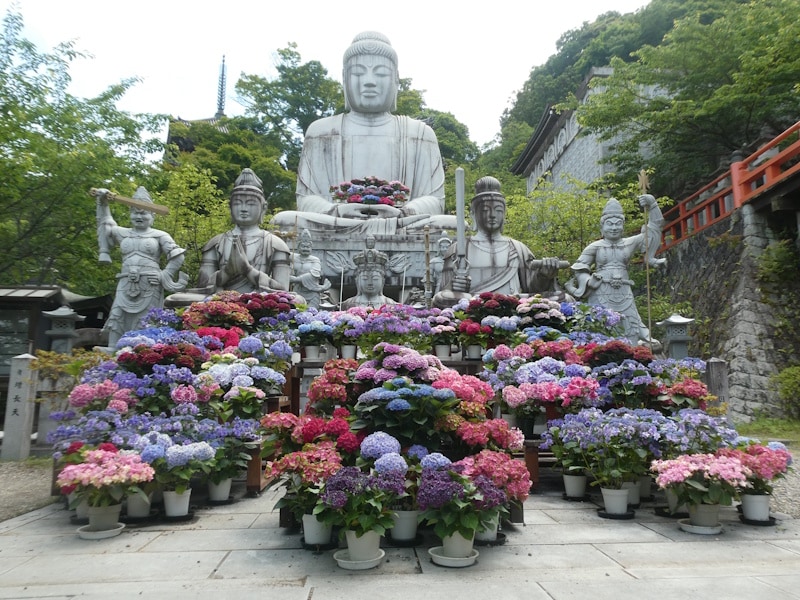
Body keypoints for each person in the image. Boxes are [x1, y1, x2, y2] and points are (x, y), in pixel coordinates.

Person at [271, 31, 456, 236]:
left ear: (396, 80)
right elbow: (306, 200)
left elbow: (434, 201)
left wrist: (401, 212)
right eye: (358, 73)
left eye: (381, 73)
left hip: (402, 223)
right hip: (338, 222)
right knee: (283, 219)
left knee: (445, 222)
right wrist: (339, 210)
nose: (369, 81)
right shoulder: (321, 131)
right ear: (344, 78)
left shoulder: (420, 134)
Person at [433, 176, 562, 308]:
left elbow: (533, 289)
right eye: (485, 210)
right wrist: (454, 286)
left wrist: (544, 275)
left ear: (504, 214)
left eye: (498, 210)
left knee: (563, 298)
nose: (492, 215)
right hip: (473, 306)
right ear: (473, 215)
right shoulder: (458, 249)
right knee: (442, 298)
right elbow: (442, 293)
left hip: (513, 305)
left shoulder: (518, 248)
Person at [94, 186, 188, 348]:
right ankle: (113, 351)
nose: (139, 216)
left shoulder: (159, 235)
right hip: (125, 282)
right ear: (130, 214)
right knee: (117, 317)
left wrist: (163, 275)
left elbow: (178, 256)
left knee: (146, 321)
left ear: (152, 216)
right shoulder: (122, 233)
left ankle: (142, 353)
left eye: (143, 213)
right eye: (135, 212)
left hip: (149, 284)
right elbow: (105, 225)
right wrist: (103, 203)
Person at [565, 194, 666, 344]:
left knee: (630, 324)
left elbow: (654, 229)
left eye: (617, 224)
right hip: (600, 290)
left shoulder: (629, 243)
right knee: (599, 324)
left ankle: (633, 352)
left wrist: (652, 205)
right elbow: (579, 268)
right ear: (602, 227)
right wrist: (588, 281)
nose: (613, 228)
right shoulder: (595, 246)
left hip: (624, 291)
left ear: (623, 226)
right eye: (609, 224)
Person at [197, 168, 292, 294]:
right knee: (176, 299)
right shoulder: (216, 243)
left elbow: (282, 290)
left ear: (263, 208)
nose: (243, 209)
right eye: (237, 203)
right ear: (230, 207)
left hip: (260, 302)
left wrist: (247, 270)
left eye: (250, 204)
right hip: (221, 302)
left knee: (295, 300)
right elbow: (203, 287)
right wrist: (227, 271)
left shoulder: (275, 244)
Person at [340, 235, 397, 309]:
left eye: (375, 279)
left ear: (383, 281)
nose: (370, 283)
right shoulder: (347, 304)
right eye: (364, 279)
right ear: (357, 281)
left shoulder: (392, 305)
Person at [289, 229, 331, 308]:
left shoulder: (315, 260)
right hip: (297, 291)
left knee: (312, 313)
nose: (305, 248)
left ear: (311, 248)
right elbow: (283, 252)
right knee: (295, 313)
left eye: (308, 247)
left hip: (312, 292)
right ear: (298, 247)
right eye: (303, 246)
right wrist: (284, 237)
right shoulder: (293, 257)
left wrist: (295, 279)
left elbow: (314, 274)